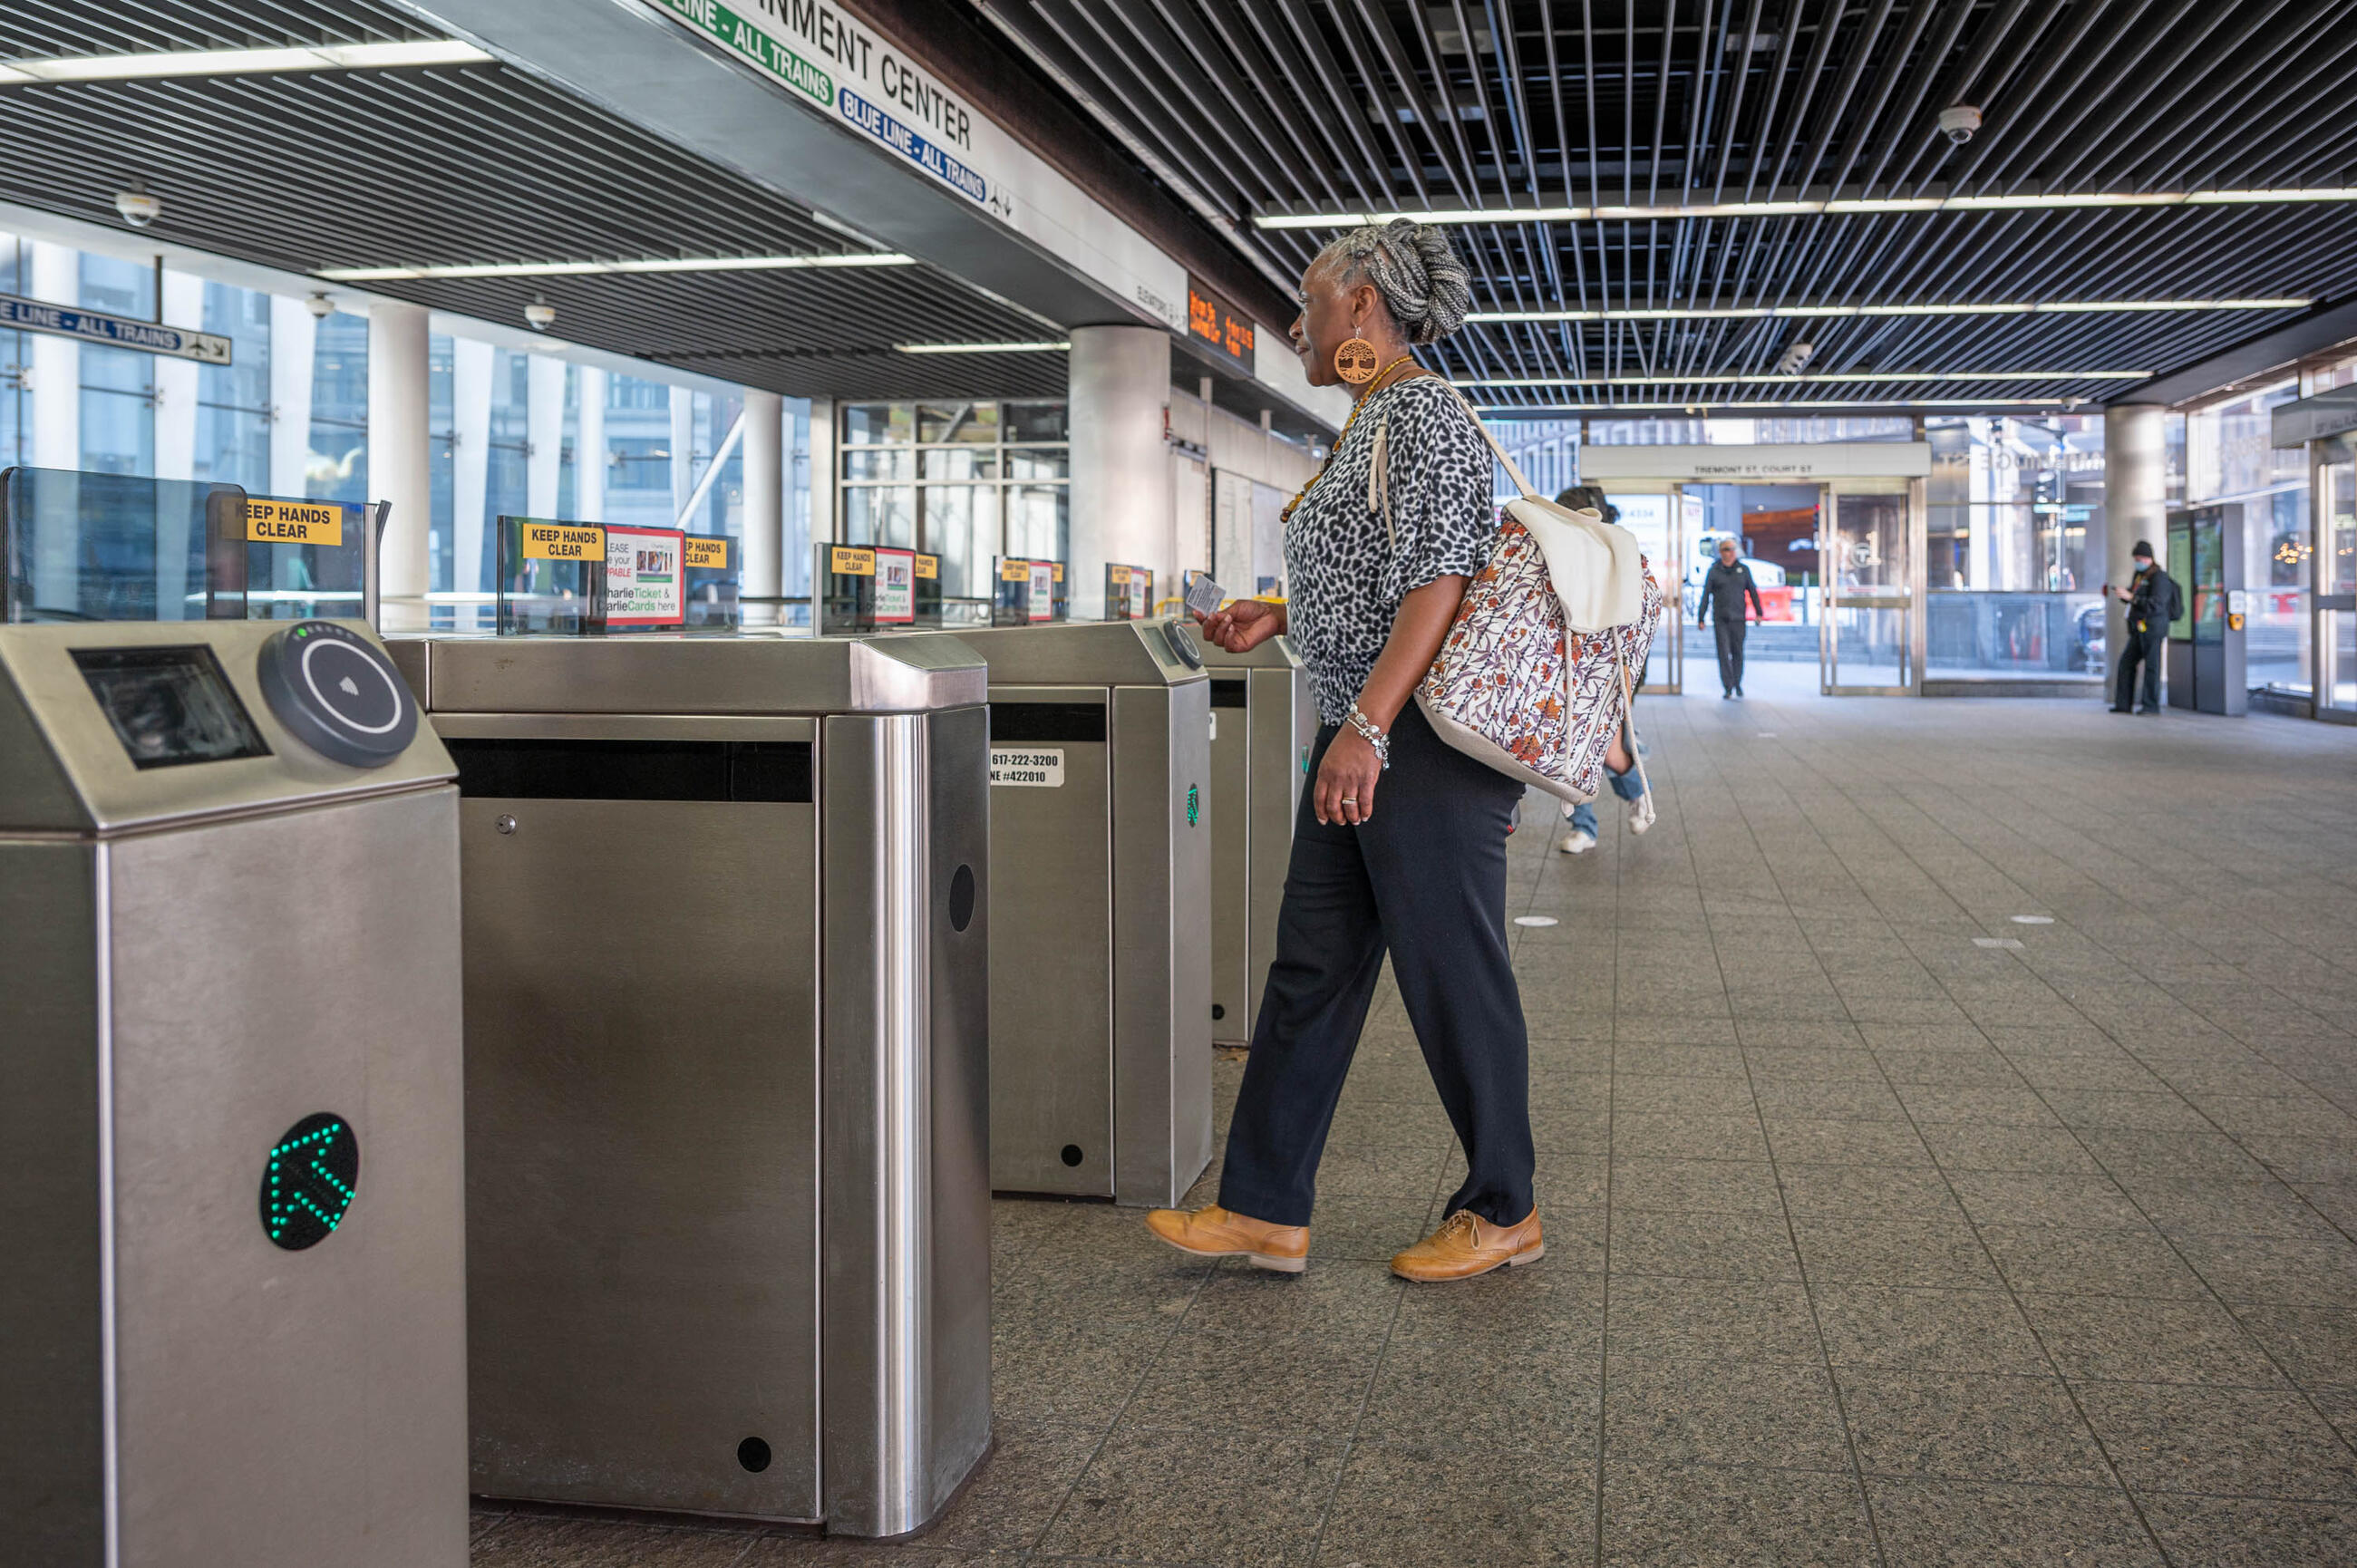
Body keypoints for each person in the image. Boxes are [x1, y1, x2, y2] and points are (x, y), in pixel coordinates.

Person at [1146, 218, 1549, 1282]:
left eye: (1310, 301)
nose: (1296, 320)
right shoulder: (1370, 421)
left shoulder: (1417, 413)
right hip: (1365, 729)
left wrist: (1365, 727)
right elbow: (1376, 568)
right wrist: (1279, 614)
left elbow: (1438, 579)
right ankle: (1263, 1207)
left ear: (1362, 304)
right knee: (1311, 966)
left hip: (1413, 743)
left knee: (1453, 971)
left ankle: (1504, 1205)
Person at [1553, 484, 1654, 855]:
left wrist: (1624, 684)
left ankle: (1637, 792)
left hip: (1615, 666)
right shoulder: (1561, 553)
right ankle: (1584, 826)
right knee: (1573, 749)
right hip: (1568, 665)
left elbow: (1635, 628)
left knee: (1607, 751)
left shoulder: (1622, 555)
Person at [2109, 539, 2181, 714]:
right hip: (2138, 629)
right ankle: (2123, 704)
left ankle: (2151, 705)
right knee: (2126, 663)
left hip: (2153, 628)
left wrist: (2132, 598)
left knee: (2152, 667)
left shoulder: (2160, 578)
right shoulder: (2140, 576)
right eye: (2136, 558)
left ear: (2148, 558)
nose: (2137, 562)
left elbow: (2156, 604)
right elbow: (2134, 595)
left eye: (2140, 558)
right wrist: (2124, 595)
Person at [1698, 536, 1765, 697]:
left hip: (1738, 619)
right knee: (1723, 653)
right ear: (1721, 552)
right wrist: (1701, 618)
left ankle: (1737, 683)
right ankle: (1727, 686)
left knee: (1738, 653)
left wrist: (1759, 612)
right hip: (1721, 619)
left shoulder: (1743, 570)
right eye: (1727, 549)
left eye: (1733, 549)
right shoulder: (1714, 571)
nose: (1731, 553)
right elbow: (1706, 595)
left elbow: (1753, 592)